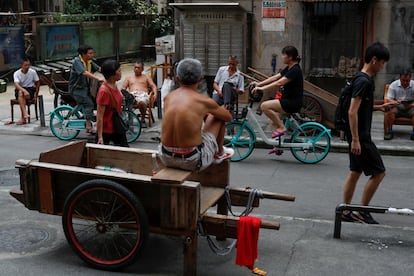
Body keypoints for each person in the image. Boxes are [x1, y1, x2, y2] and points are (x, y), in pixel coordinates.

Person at [341, 42, 394, 224]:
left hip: (356, 135)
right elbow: (352, 111)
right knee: (379, 172)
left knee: (355, 171)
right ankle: (361, 212)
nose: (382, 66)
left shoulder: (358, 78)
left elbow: (361, 106)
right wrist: (356, 139)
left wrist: (379, 107)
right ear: (374, 60)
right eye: (382, 62)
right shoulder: (364, 81)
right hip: (360, 137)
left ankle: (346, 211)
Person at [160, 58, 234, 171]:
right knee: (218, 116)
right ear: (200, 79)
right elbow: (228, 117)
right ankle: (220, 152)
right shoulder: (204, 101)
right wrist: (208, 111)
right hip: (192, 160)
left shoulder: (168, 98)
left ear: (178, 79)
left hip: (165, 157)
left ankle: (216, 150)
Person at [251, 46, 303, 139]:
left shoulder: (295, 70)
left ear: (290, 57)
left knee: (264, 106)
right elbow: (275, 77)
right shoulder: (289, 68)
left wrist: (262, 89)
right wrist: (259, 84)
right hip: (287, 100)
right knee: (272, 120)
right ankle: (278, 145)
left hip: (292, 102)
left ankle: (282, 128)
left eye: (284, 55)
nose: (282, 57)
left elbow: (279, 82)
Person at [68, 45, 101, 134]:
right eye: (90, 53)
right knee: (89, 104)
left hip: (85, 89)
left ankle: (88, 117)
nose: (92, 55)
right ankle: (88, 126)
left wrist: (110, 71)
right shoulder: (77, 62)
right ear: (83, 54)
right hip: (77, 90)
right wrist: (97, 78)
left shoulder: (89, 61)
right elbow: (84, 72)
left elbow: (99, 69)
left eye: (92, 53)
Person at [95, 59, 128, 147]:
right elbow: (99, 117)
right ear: (112, 74)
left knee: (125, 153)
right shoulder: (104, 91)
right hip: (106, 129)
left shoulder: (114, 85)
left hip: (117, 126)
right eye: (119, 71)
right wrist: (100, 137)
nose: (121, 72)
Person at [121, 62, 158, 128]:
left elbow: (153, 86)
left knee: (141, 102)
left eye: (138, 68)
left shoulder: (146, 77)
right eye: (135, 67)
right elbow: (123, 88)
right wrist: (124, 94)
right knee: (126, 101)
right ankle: (128, 120)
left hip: (143, 96)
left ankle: (142, 120)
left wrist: (155, 94)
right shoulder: (129, 78)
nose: (136, 69)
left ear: (142, 69)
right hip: (132, 96)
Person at [384, 69, 414, 140]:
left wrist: (410, 105)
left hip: (411, 106)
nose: (405, 82)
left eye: (407, 81)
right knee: (390, 112)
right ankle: (389, 131)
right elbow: (389, 99)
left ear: (410, 79)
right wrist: (396, 102)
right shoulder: (393, 85)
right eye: (403, 80)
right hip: (397, 106)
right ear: (400, 78)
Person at [13, 58, 40, 125]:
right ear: (21, 65)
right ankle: (25, 114)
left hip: (30, 90)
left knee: (21, 94)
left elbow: (38, 83)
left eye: (28, 65)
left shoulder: (33, 72)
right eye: (25, 65)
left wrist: (36, 96)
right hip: (21, 90)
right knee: (20, 93)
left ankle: (24, 117)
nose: (27, 67)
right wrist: (23, 90)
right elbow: (16, 84)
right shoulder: (16, 73)